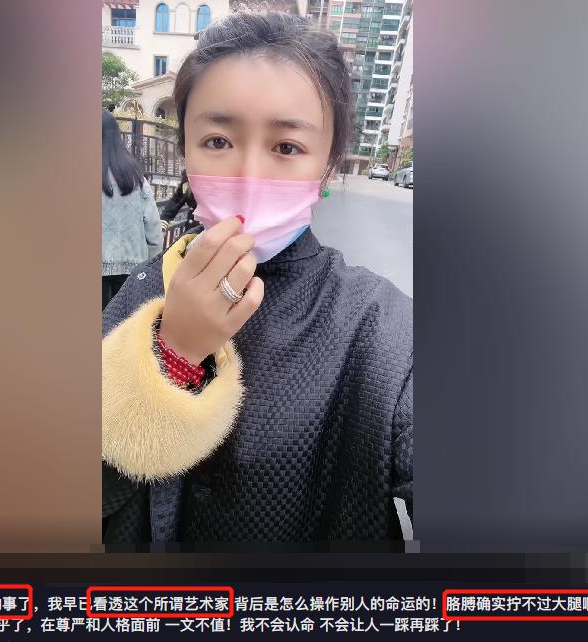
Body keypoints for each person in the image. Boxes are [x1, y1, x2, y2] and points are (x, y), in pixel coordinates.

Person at [101, 11, 413, 544]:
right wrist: (172, 352)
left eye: (287, 147)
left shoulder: (380, 326)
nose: (249, 173)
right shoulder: (144, 288)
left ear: (328, 164)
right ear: (186, 149)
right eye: (218, 141)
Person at [101, 109, 164, 310]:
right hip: (132, 267)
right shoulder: (135, 177)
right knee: (123, 322)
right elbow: (153, 227)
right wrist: (152, 263)